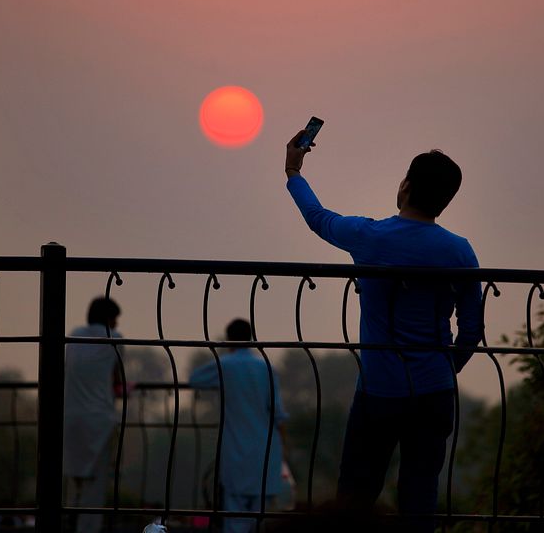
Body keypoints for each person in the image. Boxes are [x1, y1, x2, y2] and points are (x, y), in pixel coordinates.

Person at [284, 130, 483, 532]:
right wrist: (447, 369)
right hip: (435, 390)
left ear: (405, 186)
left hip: (378, 389)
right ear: (445, 200)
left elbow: (317, 218)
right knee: (420, 494)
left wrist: (293, 170)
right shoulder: (459, 250)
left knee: (356, 493)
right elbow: (471, 327)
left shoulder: (369, 236)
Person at [189, 319, 288, 533]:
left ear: (229, 339)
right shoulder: (266, 368)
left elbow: (195, 379)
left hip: (234, 451)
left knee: (233, 517)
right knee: (260, 517)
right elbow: (278, 413)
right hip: (265, 451)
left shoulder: (226, 365)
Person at [63, 297, 123, 533]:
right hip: (99, 420)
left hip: (70, 417)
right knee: (94, 488)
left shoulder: (74, 336)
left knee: (72, 480)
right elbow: (117, 378)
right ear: (110, 318)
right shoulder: (114, 339)